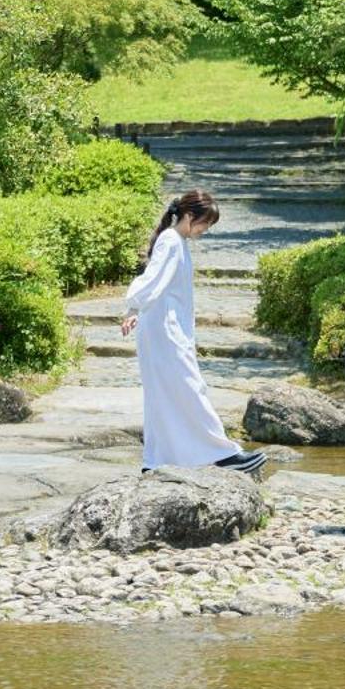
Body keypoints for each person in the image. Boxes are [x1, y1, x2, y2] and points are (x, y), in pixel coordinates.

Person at [121, 190, 265, 477]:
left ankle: (157, 459)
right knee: (188, 388)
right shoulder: (172, 242)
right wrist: (133, 306)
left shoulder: (176, 242)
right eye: (204, 224)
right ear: (189, 216)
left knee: (166, 392)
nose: (205, 231)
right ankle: (223, 453)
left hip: (164, 327)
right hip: (164, 330)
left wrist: (135, 308)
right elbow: (153, 279)